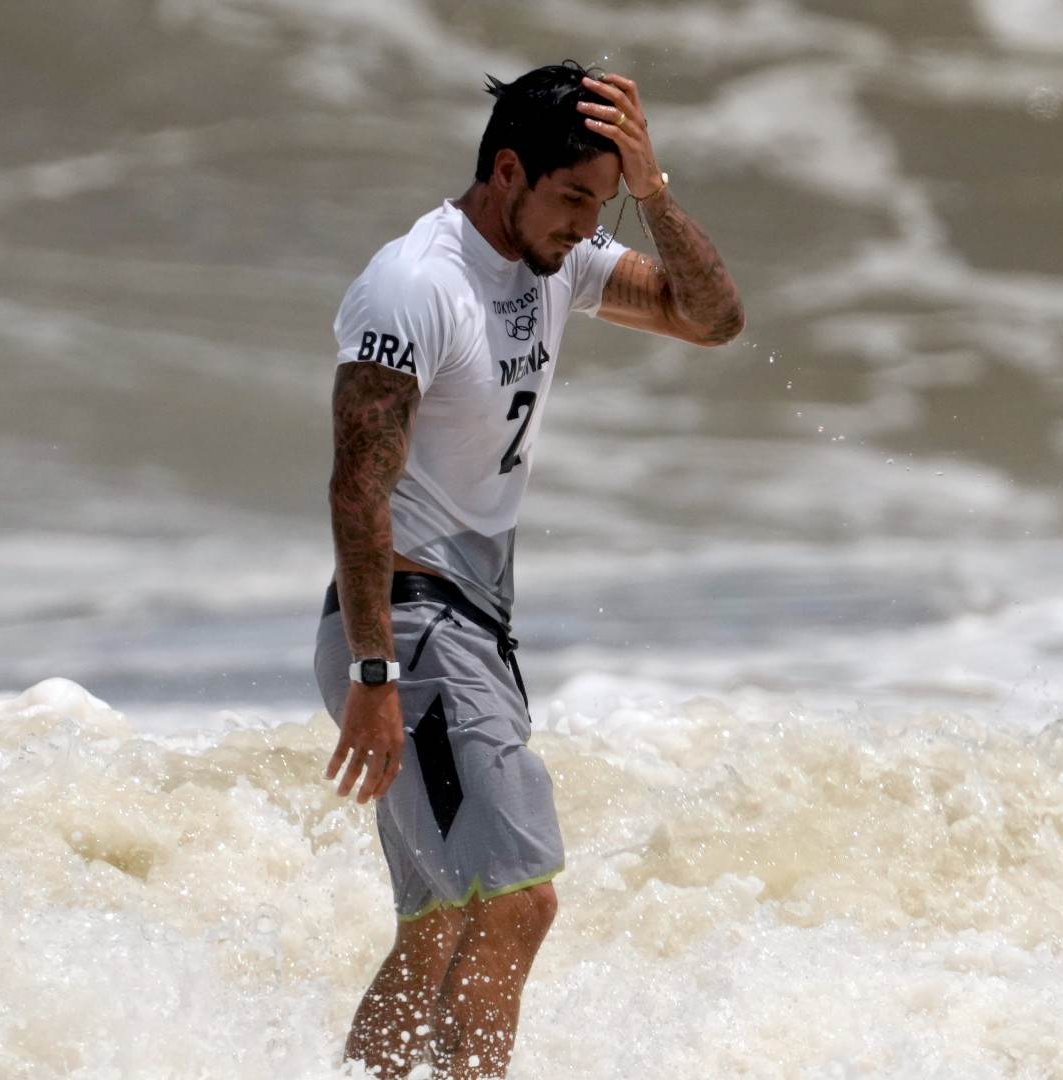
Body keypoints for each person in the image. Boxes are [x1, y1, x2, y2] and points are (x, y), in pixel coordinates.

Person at [312, 60, 744, 1079]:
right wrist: (377, 678)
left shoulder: (560, 260)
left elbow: (712, 316)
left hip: (467, 629)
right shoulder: (415, 285)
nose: (591, 226)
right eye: (574, 200)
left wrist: (656, 192)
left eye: (605, 203)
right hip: (410, 629)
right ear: (508, 170)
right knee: (519, 899)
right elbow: (355, 492)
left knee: (438, 932)